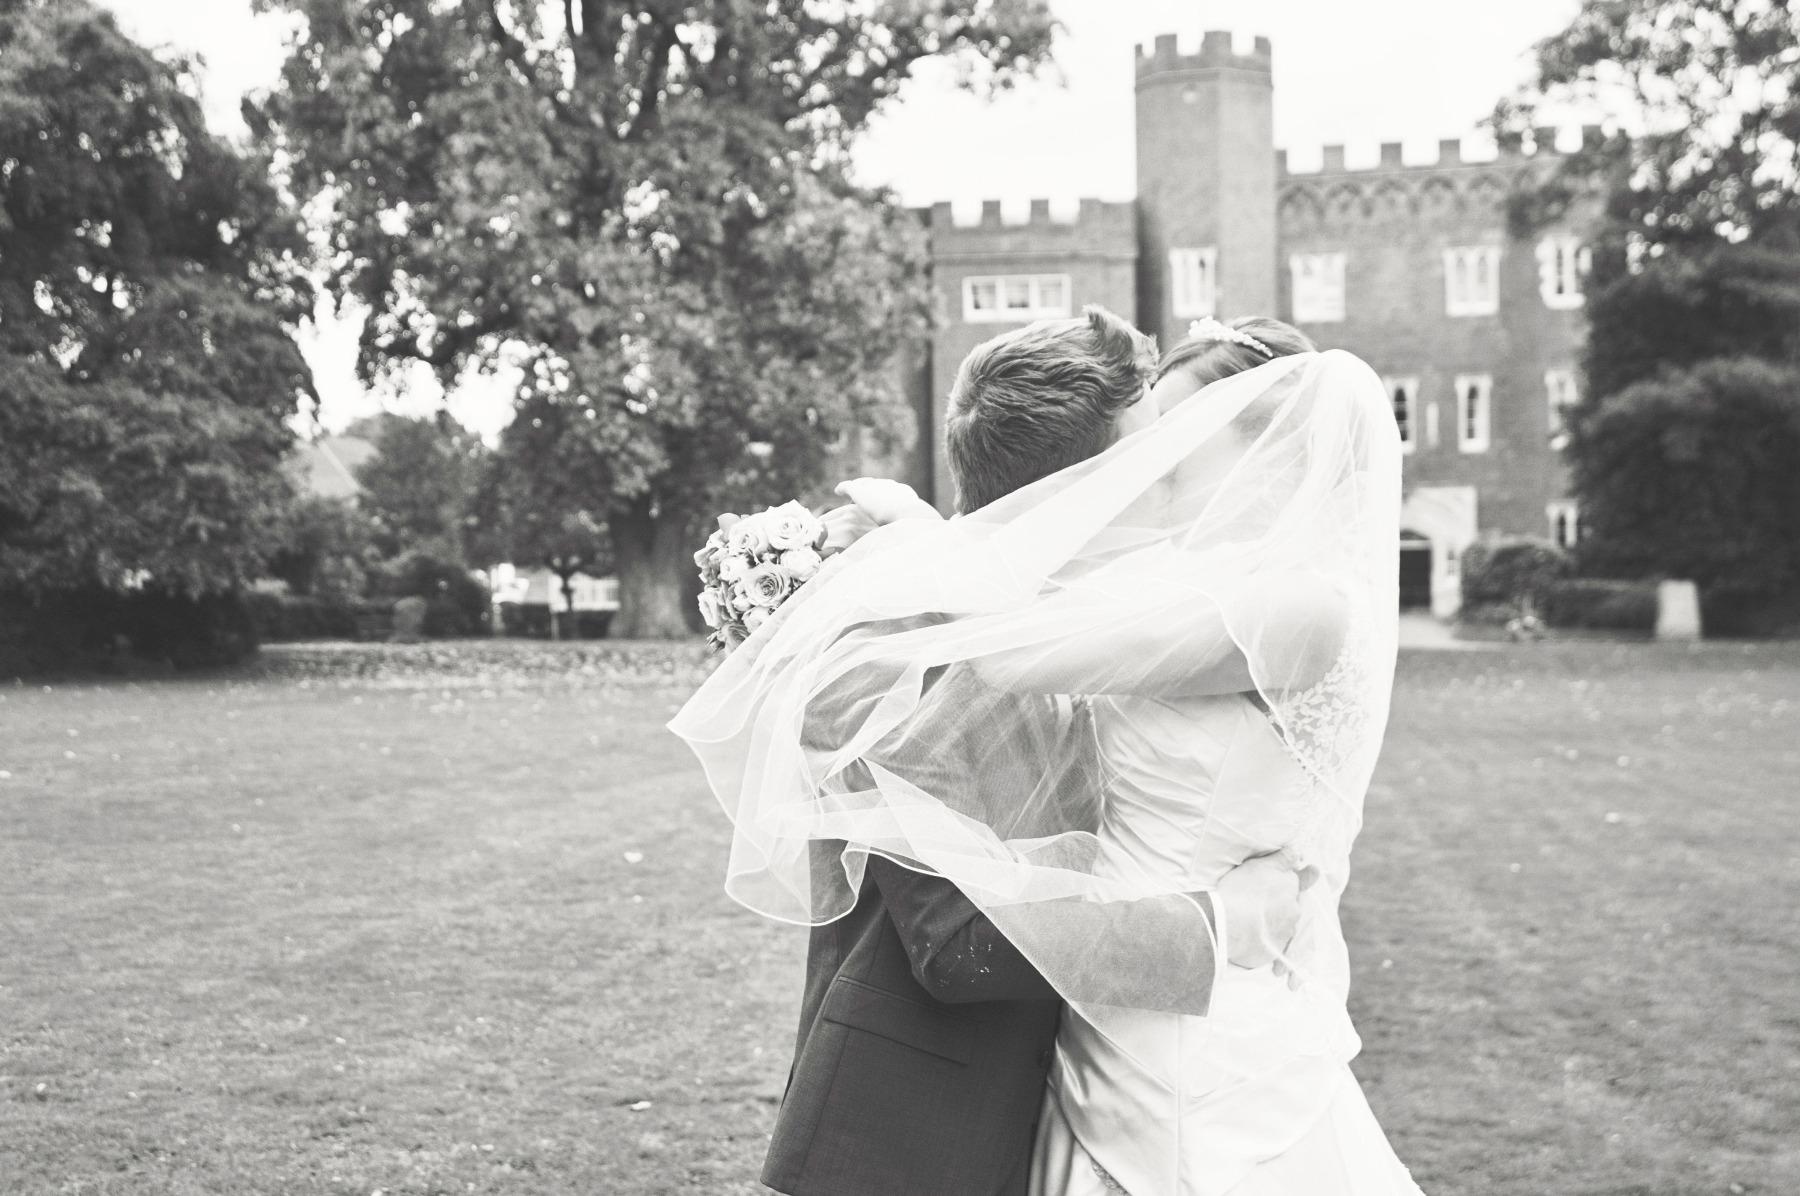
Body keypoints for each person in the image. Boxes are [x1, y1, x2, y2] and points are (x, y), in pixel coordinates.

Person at [673, 307, 1417, 1195]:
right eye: (1145, 446)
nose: (1154, 471)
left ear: (1272, 454)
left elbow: (1025, 646)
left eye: (1178, 443)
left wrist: (923, 542)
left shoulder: (1292, 608)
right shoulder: (923, 644)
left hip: (1198, 1058)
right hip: (1024, 1075)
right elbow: (957, 942)